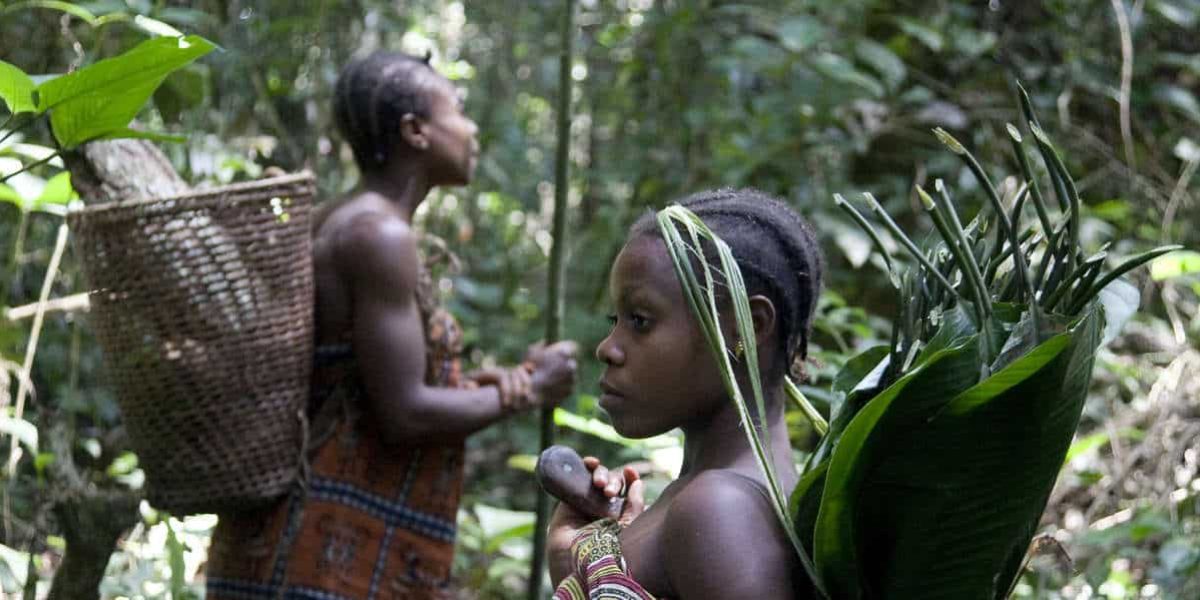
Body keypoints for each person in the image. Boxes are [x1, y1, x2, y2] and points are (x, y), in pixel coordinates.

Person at [205, 50, 578, 599]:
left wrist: (498, 379)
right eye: (459, 112)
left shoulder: (343, 219)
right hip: (319, 560)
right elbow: (404, 411)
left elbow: (355, 385)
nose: (472, 130)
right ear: (415, 131)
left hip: (289, 545)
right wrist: (531, 390)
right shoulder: (378, 235)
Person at [546, 189, 823, 599]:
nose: (608, 347)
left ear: (747, 328)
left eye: (639, 320)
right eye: (615, 320)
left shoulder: (719, 509)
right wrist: (578, 564)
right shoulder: (708, 500)